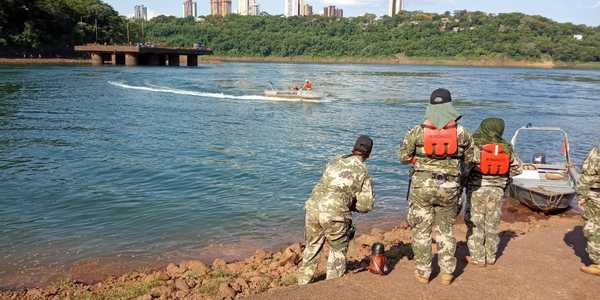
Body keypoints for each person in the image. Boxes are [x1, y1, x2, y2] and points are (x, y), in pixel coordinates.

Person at [399, 88, 473, 285]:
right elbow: (472, 159)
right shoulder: (462, 133)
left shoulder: (416, 131)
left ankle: (423, 272)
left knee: (421, 231)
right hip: (449, 187)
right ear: (450, 106)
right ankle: (447, 272)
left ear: (430, 106)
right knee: (446, 230)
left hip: (422, 187)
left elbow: (403, 157)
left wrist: (420, 159)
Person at [297, 135, 376, 285]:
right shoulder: (362, 171)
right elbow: (367, 205)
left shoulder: (335, 160)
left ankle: (302, 283)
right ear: (369, 154)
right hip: (335, 214)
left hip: (313, 207)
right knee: (337, 250)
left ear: (354, 148)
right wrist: (351, 205)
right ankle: (331, 287)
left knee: (312, 246)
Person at [464, 118, 522, 267]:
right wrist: (502, 175)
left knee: (475, 223)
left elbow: (466, 167)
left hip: (477, 189)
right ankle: (490, 256)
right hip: (497, 191)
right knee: (492, 223)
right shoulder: (506, 147)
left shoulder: (476, 144)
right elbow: (518, 169)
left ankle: (478, 257)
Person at [577, 145, 600, 276]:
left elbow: (588, 175)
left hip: (597, 196)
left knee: (593, 228)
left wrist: (581, 195)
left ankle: (598, 264)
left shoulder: (597, 152)